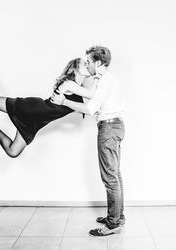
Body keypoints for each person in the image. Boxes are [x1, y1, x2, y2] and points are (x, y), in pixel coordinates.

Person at [51, 46, 125, 236]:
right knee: (115, 174)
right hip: (114, 126)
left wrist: (64, 102)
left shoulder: (106, 81)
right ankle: (117, 217)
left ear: (98, 63)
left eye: (89, 62)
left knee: (110, 177)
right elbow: (93, 98)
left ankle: (113, 223)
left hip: (108, 128)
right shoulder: (106, 79)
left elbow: (91, 108)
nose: (87, 64)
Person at [0, 56, 89, 158]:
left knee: (12, 152)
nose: (88, 65)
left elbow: (86, 109)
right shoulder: (70, 84)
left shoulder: (80, 91)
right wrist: (99, 76)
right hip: (32, 109)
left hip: (36, 121)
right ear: (75, 68)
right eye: (85, 64)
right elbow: (91, 100)